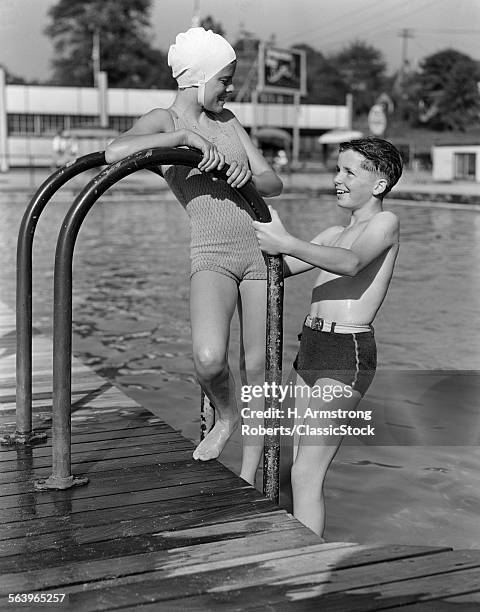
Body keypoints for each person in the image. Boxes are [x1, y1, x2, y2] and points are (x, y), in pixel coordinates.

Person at [105, 27, 282, 482]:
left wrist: (245, 173)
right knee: (208, 358)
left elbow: (273, 184)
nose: (230, 88)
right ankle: (227, 416)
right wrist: (184, 143)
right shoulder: (163, 119)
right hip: (213, 254)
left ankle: (250, 475)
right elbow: (114, 151)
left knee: (258, 365)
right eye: (225, 79)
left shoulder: (228, 122)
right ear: (198, 78)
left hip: (260, 248)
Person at [253, 137, 403, 536]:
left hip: (346, 353)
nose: (337, 178)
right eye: (337, 169)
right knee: (284, 462)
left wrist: (286, 241)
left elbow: (352, 264)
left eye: (349, 171)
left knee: (307, 471)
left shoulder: (385, 224)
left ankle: (306, 571)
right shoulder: (331, 232)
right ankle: (279, 544)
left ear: (379, 184)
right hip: (311, 349)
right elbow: (278, 269)